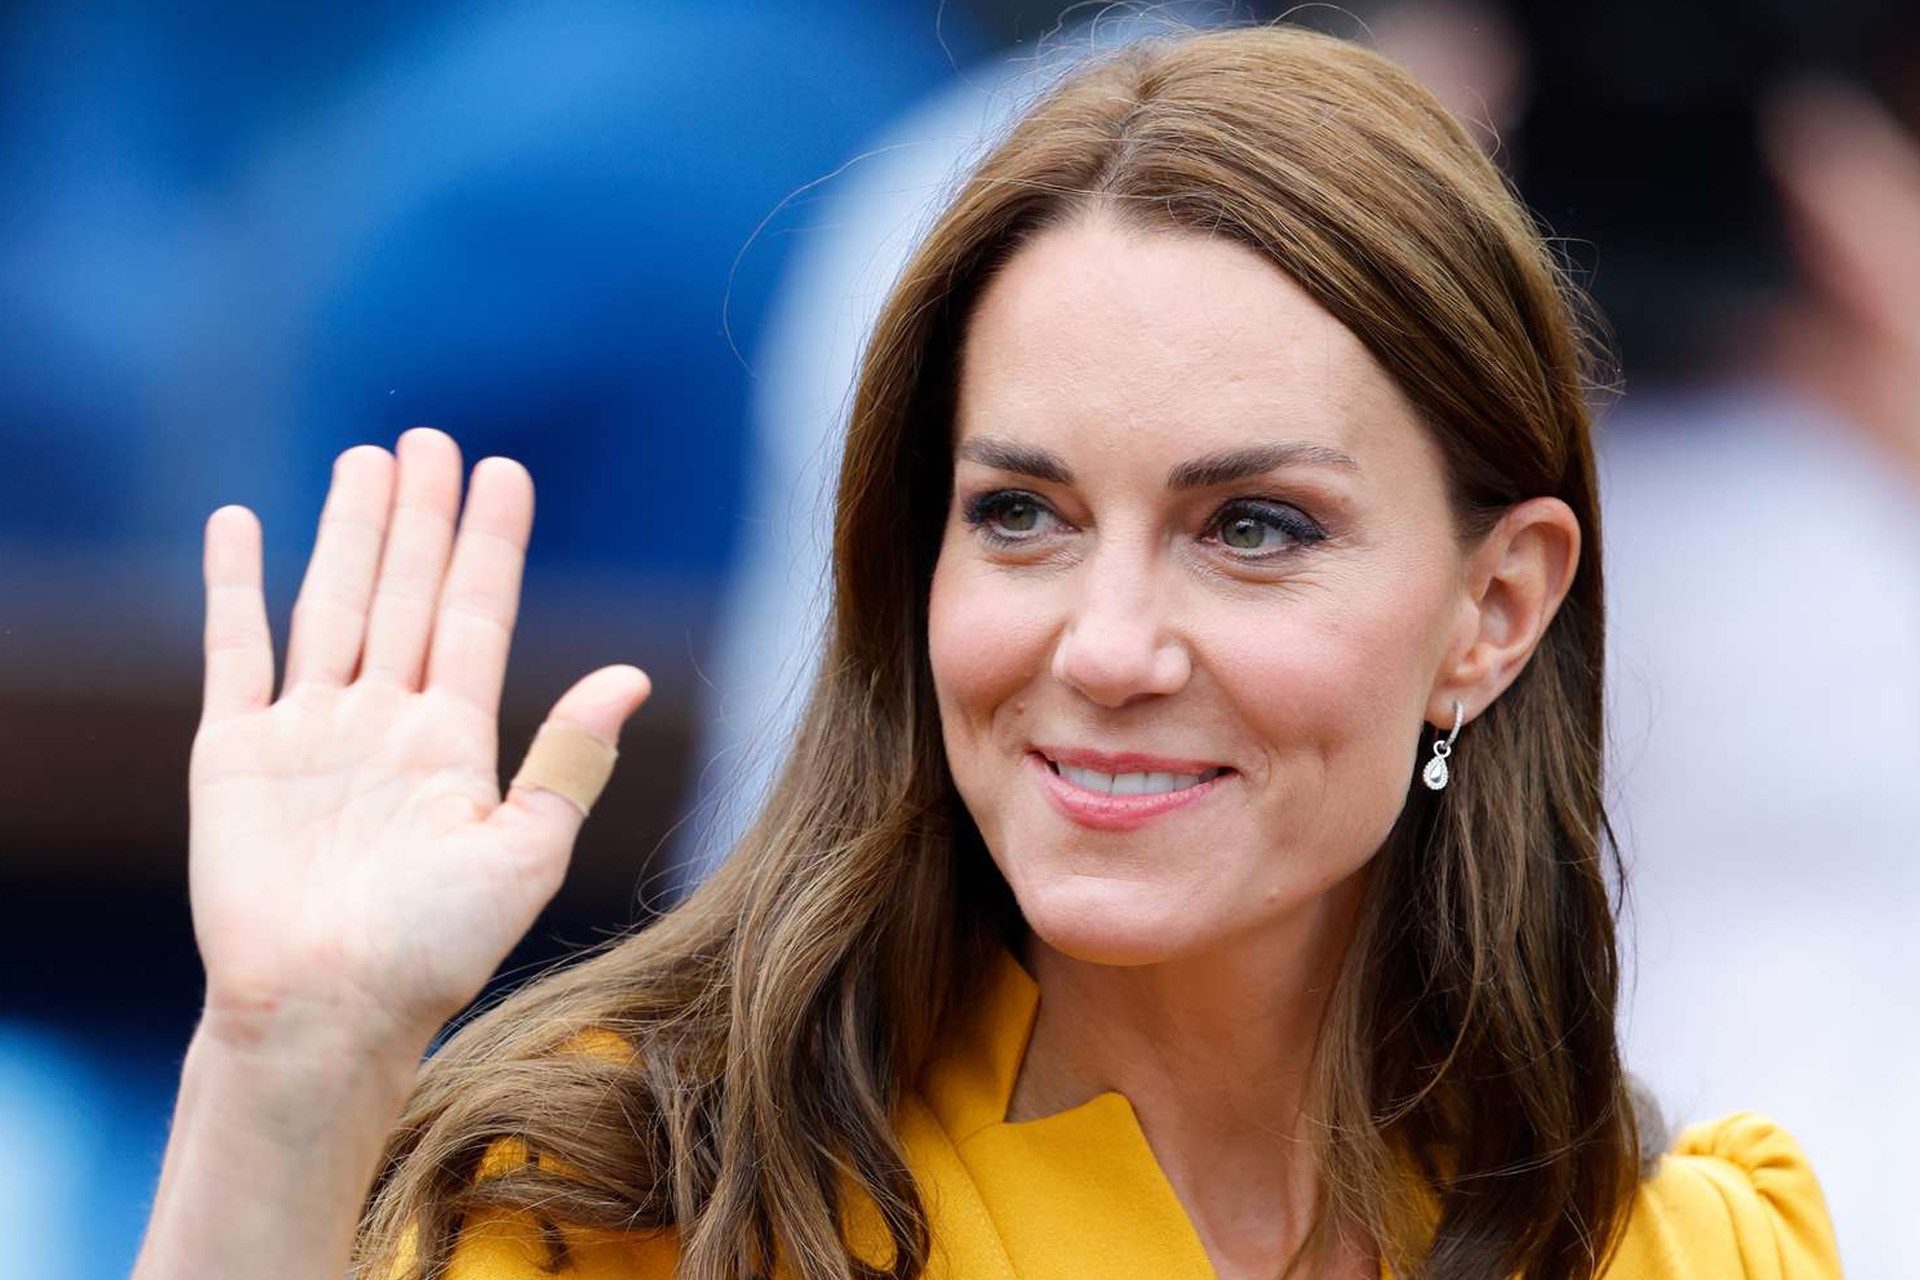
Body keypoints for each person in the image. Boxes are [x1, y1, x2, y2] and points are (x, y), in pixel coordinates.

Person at [132, 25, 1843, 1280]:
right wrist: (289, 1067)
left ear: (1497, 609)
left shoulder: (1694, 1245)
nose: (1107, 646)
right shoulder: (628, 1204)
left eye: (1254, 527)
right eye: (1022, 515)